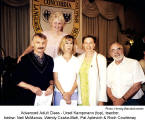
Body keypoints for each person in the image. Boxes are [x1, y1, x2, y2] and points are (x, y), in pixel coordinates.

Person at [14, 33, 54, 105]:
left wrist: (51, 86)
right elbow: (17, 80)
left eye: (43, 43)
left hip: (45, 99)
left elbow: (51, 78)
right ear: (33, 43)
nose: (41, 45)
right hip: (28, 99)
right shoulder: (24, 59)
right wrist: (32, 88)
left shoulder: (50, 59)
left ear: (46, 44)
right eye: (38, 42)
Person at [77, 35, 107, 106]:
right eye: (86, 43)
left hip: (94, 94)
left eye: (90, 43)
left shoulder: (100, 58)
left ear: (94, 45)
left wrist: (101, 100)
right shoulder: (78, 59)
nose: (88, 45)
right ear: (83, 45)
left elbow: (103, 80)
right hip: (81, 95)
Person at [53, 35, 78, 106]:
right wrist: (64, 93)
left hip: (73, 93)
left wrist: (70, 93)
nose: (69, 45)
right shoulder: (56, 60)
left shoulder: (77, 60)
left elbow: (77, 79)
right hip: (59, 93)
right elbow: (56, 80)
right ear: (62, 45)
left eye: (71, 43)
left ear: (73, 45)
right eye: (66, 43)